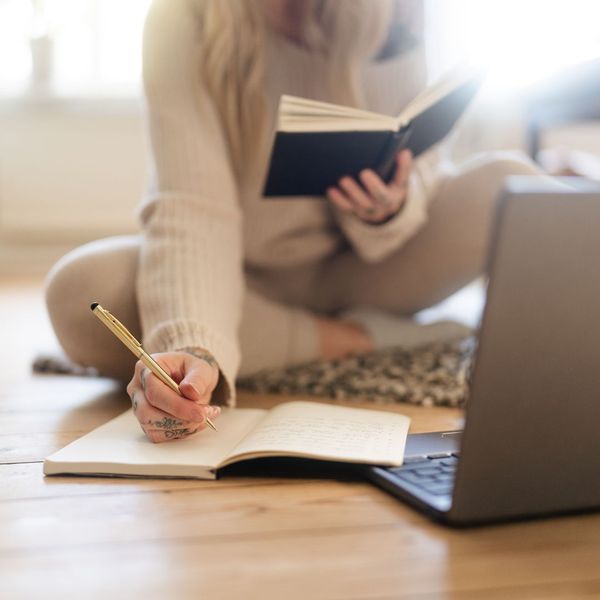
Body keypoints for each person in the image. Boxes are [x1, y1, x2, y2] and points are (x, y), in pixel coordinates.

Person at [45, 0, 539, 443]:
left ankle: (305, 336)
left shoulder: (395, 11)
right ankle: (358, 339)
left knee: (514, 185)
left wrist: (391, 206)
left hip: (364, 270)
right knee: (80, 290)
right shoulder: (183, 18)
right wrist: (194, 348)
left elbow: (423, 158)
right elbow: (191, 207)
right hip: (240, 287)